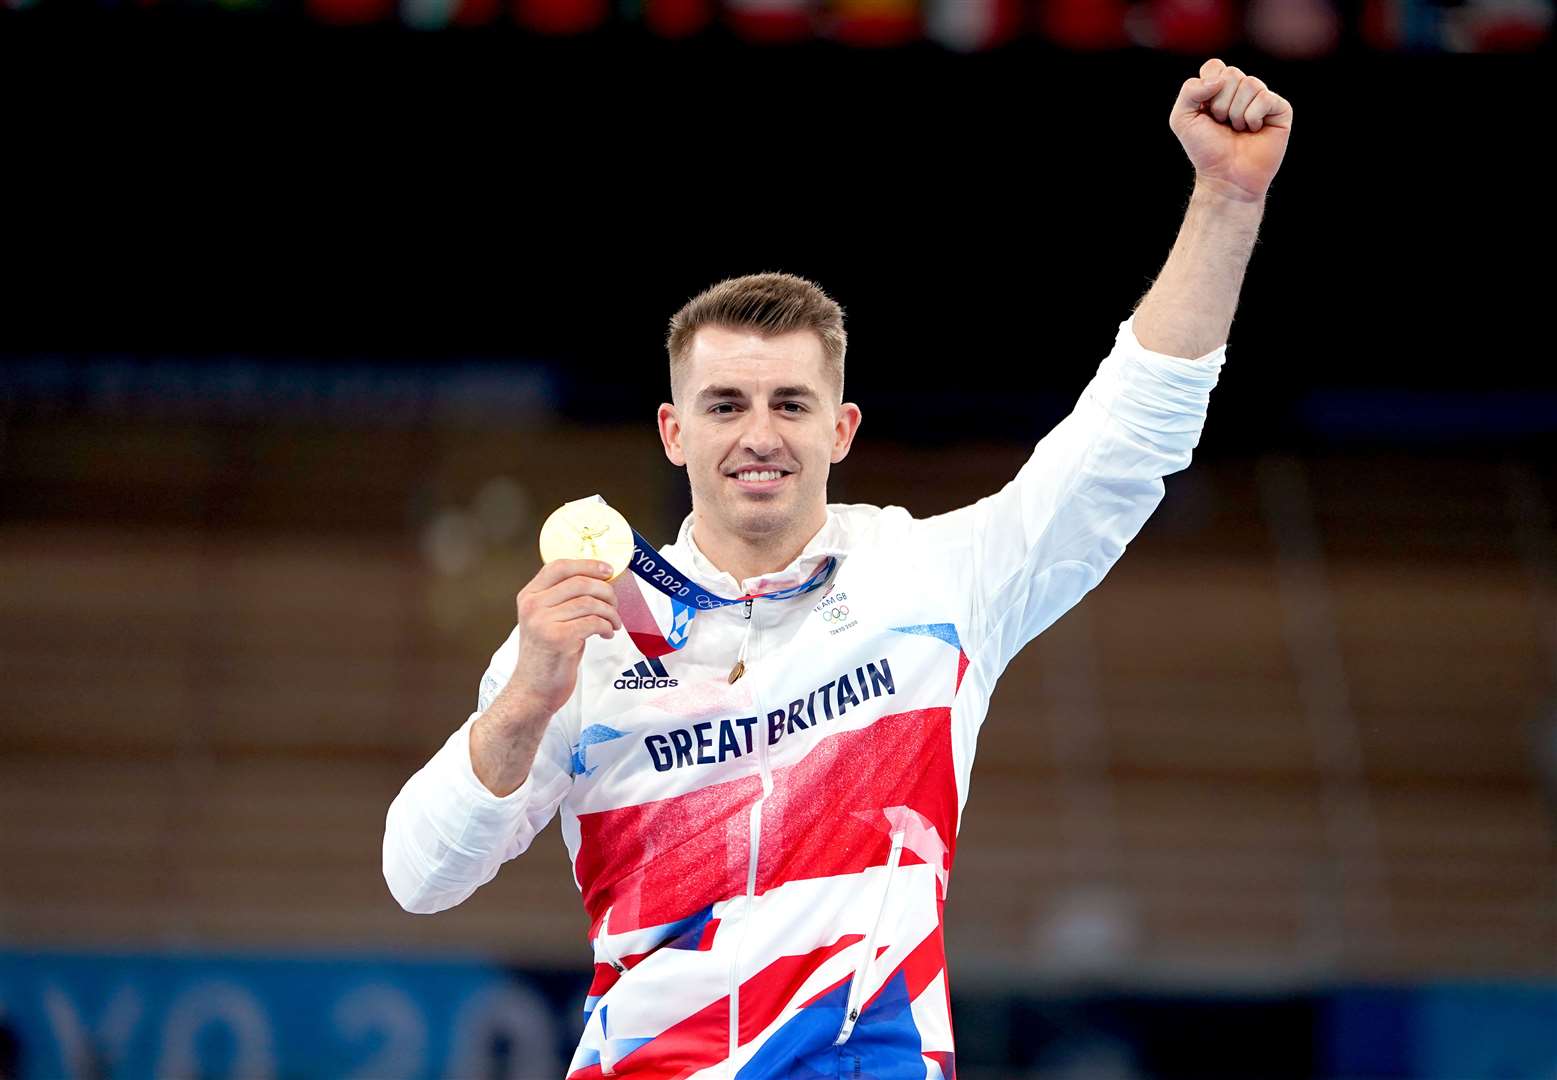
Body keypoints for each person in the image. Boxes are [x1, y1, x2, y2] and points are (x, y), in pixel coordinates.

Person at [384, 58, 1292, 1078]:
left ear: (843, 428)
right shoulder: (585, 632)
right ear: (674, 432)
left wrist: (1225, 198)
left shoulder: (930, 582)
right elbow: (419, 878)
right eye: (726, 405)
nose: (758, 434)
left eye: (791, 404)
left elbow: (1124, 446)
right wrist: (523, 700)